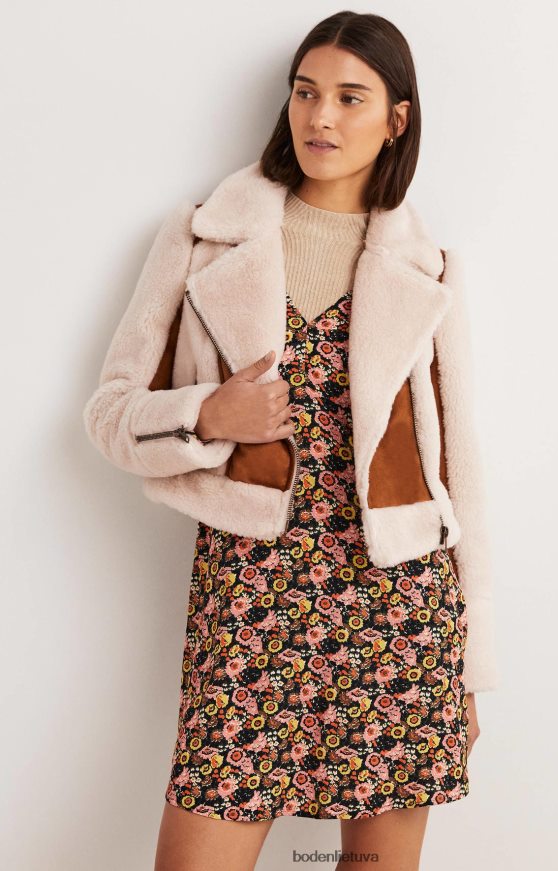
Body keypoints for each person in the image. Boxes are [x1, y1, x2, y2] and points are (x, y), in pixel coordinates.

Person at [83, 11, 498, 871]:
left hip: (399, 612)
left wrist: (469, 664)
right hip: (248, 608)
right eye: (306, 93)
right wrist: (206, 415)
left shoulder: (430, 269)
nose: (321, 117)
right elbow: (109, 413)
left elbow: (462, 473)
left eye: (351, 98)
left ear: (397, 118)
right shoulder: (204, 235)